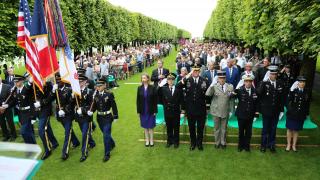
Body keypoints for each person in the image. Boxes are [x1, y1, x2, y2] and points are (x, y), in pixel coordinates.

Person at [177, 65, 209, 151]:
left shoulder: (204, 81)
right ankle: (193, 143)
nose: (196, 72)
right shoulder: (187, 80)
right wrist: (186, 76)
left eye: (197, 71)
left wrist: (207, 106)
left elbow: (209, 94)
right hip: (190, 109)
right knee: (191, 127)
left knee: (200, 127)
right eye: (194, 71)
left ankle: (199, 143)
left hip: (201, 109)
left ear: (199, 72)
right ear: (191, 72)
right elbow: (178, 86)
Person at [87, 78, 118, 162]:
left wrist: (115, 116)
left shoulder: (109, 94)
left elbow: (114, 106)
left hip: (108, 117)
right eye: (97, 86)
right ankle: (112, 143)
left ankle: (107, 154)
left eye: (100, 86)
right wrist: (91, 111)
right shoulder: (95, 95)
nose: (98, 87)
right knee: (106, 134)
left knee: (105, 135)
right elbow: (94, 106)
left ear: (104, 85)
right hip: (99, 118)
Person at [257, 65, 285, 153]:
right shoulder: (264, 83)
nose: (274, 76)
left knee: (273, 129)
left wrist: (281, 110)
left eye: (275, 74)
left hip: (276, 111)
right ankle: (263, 145)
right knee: (265, 129)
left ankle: (271, 145)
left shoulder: (280, 83)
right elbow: (258, 94)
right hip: (266, 111)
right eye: (272, 74)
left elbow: (281, 98)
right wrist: (263, 82)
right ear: (269, 74)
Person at [51, 74, 80, 160]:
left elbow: (71, 103)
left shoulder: (68, 90)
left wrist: (64, 110)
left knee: (67, 132)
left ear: (64, 80)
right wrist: (53, 91)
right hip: (60, 115)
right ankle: (76, 142)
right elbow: (50, 98)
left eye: (59, 80)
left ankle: (65, 152)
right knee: (69, 130)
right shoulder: (56, 90)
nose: (58, 82)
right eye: (56, 81)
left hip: (68, 114)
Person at [3, 75, 36, 144]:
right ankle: (31, 146)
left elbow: (31, 101)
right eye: (15, 82)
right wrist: (7, 105)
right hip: (20, 113)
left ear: (22, 81)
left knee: (23, 131)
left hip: (28, 113)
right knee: (28, 132)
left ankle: (32, 145)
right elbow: (15, 101)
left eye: (17, 82)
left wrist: (33, 116)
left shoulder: (28, 89)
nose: (15, 83)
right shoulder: (16, 90)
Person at [206, 70, 234, 149]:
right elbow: (207, 94)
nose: (222, 79)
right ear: (217, 78)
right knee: (216, 128)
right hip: (216, 111)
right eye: (220, 78)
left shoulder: (230, 86)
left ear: (225, 78)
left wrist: (231, 110)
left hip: (225, 110)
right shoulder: (214, 86)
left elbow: (231, 100)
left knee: (224, 128)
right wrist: (211, 85)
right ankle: (217, 142)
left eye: (223, 78)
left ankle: (223, 142)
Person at [32, 79, 59, 160]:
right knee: (47, 128)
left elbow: (51, 97)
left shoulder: (47, 84)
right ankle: (54, 143)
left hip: (45, 110)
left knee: (41, 130)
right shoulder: (33, 84)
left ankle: (48, 150)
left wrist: (41, 102)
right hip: (37, 111)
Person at [158, 73, 184, 148]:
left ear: (174, 80)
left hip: (176, 111)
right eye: (169, 79)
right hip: (167, 111)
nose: (170, 81)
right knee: (169, 127)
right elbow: (157, 94)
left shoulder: (178, 89)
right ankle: (169, 141)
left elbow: (182, 100)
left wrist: (182, 110)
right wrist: (160, 85)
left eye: (172, 79)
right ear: (167, 81)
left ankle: (176, 142)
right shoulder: (163, 89)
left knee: (176, 127)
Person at [234, 74, 259, 152]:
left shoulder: (255, 91)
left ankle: (247, 146)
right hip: (241, 115)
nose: (248, 83)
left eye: (250, 81)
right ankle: (240, 146)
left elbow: (257, 103)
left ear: (251, 82)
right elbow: (231, 96)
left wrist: (256, 114)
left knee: (249, 132)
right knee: (241, 131)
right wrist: (235, 89)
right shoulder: (239, 90)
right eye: (246, 81)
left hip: (250, 115)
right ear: (244, 82)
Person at [285, 76, 310, 152]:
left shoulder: (306, 92)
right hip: (292, 114)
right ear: (297, 83)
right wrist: (291, 91)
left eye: (303, 82)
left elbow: (307, 104)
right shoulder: (293, 91)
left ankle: (294, 145)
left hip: (300, 114)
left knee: (296, 130)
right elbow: (287, 102)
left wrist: (306, 114)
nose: (302, 83)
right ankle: (289, 144)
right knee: (289, 129)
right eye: (301, 82)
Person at [75, 75, 96, 162]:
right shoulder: (76, 91)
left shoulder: (89, 91)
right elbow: (74, 103)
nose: (79, 83)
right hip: (79, 117)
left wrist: (83, 110)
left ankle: (84, 153)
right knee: (85, 133)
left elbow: (92, 104)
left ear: (84, 82)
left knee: (84, 134)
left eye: (80, 82)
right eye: (78, 82)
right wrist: (72, 97)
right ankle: (92, 143)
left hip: (86, 117)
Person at [136, 73, 158, 147]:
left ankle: (151, 140)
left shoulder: (152, 87)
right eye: (142, 78)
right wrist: (138, 111)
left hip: (151, 110)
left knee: (151, 126)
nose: (144, 79)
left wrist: (155, 111)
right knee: (145, 126)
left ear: (148, 79)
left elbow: (155, 100)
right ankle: (147, 140)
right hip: (143, 110)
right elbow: (138, 101)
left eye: (145, 78)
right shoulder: (139, 88)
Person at [0, 77, 16, 141]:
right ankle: (6, 135)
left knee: (10, 122)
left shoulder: (7, 87)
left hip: (7, 108)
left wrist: (7, 105)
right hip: (0, 109)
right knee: (2, 122)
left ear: (0, 79)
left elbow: (13, 99)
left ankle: (13, 135)